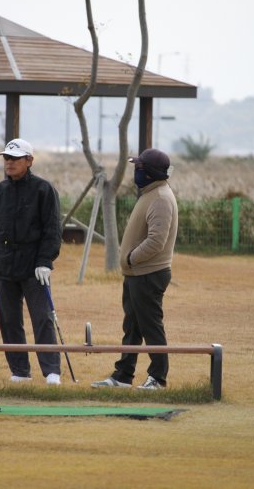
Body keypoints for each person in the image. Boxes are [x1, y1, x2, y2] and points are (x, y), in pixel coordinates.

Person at [91, 148, 178, 391]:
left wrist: (129, 259)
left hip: (148, 273)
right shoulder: (150, 193)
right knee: (132, 328)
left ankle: (158, 379)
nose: (135, 172)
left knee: (151, 327)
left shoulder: (160, 197)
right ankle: (123, 375)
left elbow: (156, 241)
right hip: (137, 273)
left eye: (138, 168)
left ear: (149, 172)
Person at [0, 139, 63, 385]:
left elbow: (52, 230)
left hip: (34, 267)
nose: (9, 162)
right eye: (6, 158)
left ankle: (51, 372)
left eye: (14, 158)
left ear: (29, 161)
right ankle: (19, 371)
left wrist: (45, 260)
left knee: (42, 318)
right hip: (4, 266)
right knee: (9, 320)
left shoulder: (43, 190)